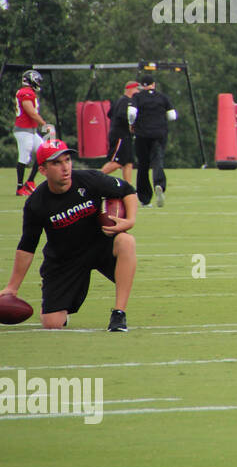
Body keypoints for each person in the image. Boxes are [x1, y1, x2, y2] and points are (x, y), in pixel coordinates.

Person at [2, 139, 137, 331]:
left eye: (67, 160)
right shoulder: (36, 203)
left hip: (99, 246)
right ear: (43, 170)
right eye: (56, 163)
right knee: (52, 324)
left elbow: (127, 190)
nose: (65, 167)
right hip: (65, 260)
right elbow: (27, 245)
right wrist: (12, 287)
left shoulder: (89, 179)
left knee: (126, 241)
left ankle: (118, 314)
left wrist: (130, 220)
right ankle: (53, 305)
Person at [129, 76, 177, 207]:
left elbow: (132, 113)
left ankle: (145, 198)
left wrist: (131, 123)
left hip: (142, 135)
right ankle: (159, 184)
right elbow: (173, 116)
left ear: (142, 86)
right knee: (157, 161)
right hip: (159, 134)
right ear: (153, 84)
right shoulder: (162, 97)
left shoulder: (137, 97)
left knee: (143, 165)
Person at [13, 69, 53, 197]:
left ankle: (30, 182)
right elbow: (31, 112)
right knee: (24, 157)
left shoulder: (28, 92)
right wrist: (44, 124)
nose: (39, 83)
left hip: (30, 131)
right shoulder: (26, 93)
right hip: (24, 131)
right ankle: (20, 188)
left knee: (43, 152)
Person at [101, 80, 139, 185]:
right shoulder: (126, 101)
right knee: (117, 162)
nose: (138, 92)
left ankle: (128, 188)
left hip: (125, 136)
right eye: (137, 89)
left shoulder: (120, 100)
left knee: (128, 162)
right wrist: (131, 125)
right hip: (120, 136)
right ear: (130, 89)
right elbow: (122, 116)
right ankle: (95, 178)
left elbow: (110, 114)